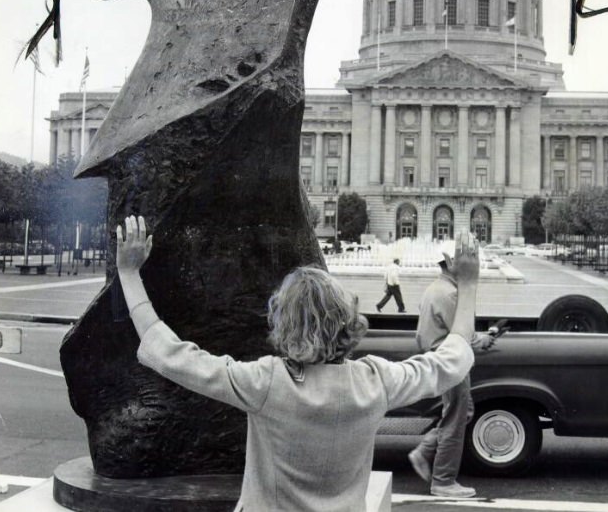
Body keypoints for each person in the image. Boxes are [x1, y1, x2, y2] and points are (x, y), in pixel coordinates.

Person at [117, 216, 481, 512]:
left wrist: (129, 274)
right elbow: (454, 356)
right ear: (347, 319)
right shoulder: (376, 381)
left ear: (282, 323)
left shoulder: (265, 382)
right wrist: (468, 283)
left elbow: (169, 353)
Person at [407, 239, 496, 499]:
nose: (467, 262)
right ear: (449, 262)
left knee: (462, 412)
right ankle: (443, 481)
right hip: (449, 363)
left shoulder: (436, 288)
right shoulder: (451, 294)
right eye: (460, 258)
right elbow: (463, 336)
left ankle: (424, 451)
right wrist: (485, 339)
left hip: (438, 359)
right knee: (455, 420)